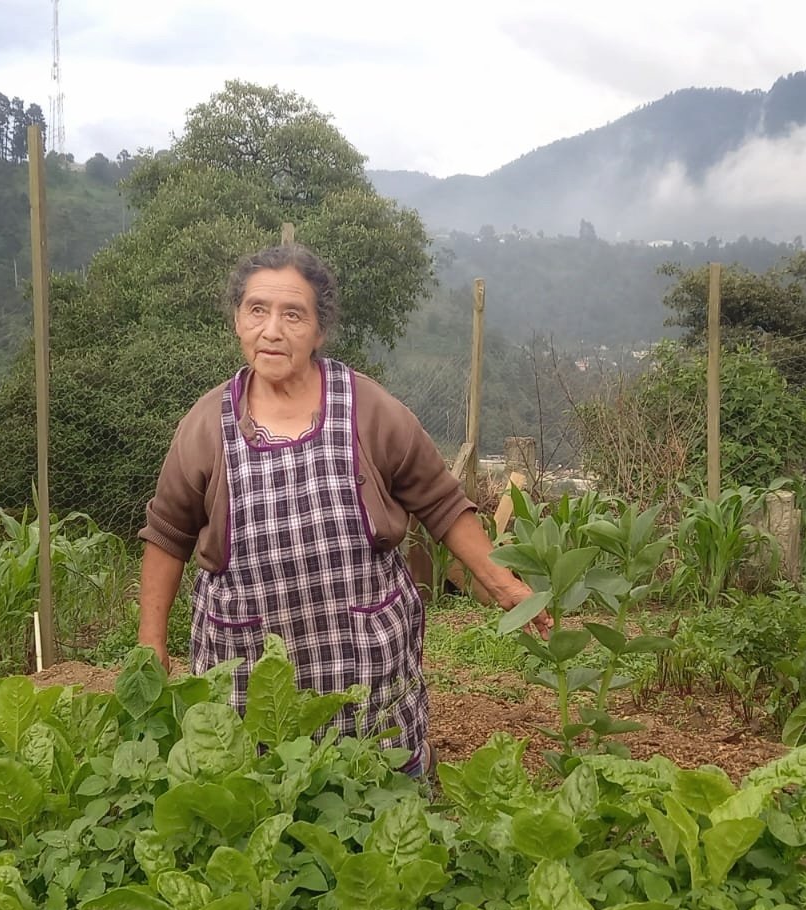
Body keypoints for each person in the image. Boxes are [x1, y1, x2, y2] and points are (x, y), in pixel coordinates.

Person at [136, 244, 546, 776]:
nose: (272, 330)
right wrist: (151, 643)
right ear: (237, 319)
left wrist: (505, 585)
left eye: (293, 314)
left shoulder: (369, 410)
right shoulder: (205, 426)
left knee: (377, 792)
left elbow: (442, 503)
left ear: (319, 330)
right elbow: (168, 534)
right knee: (255, 793)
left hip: (362, 660)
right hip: (247, 664)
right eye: (257, 310)